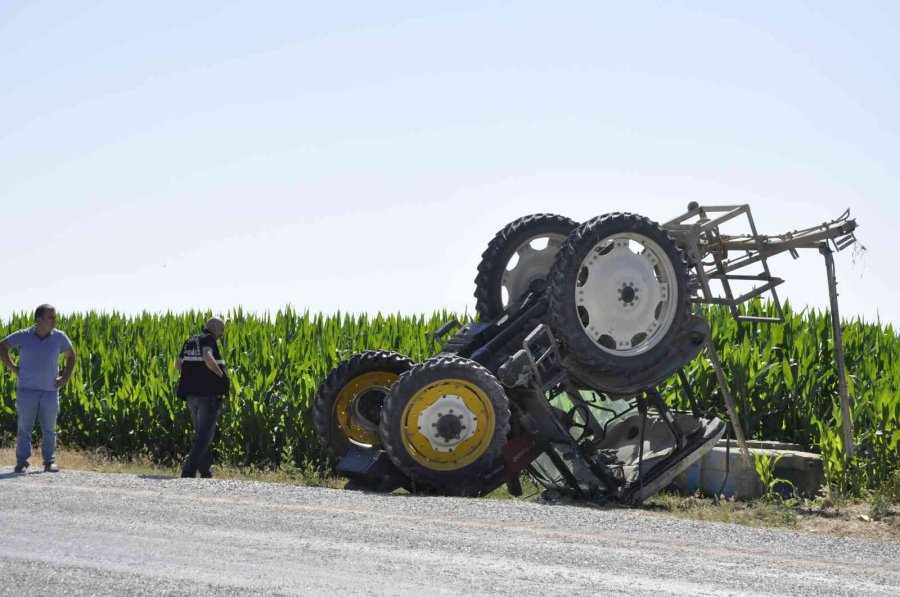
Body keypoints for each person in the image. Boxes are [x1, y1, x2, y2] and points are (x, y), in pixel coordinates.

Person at [0, 304, 76, 473]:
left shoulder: (59, 337)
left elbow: (71, 355)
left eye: (55, 317)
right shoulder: (23, 335)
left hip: (50, 391)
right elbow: (2, 346)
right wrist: (13, 367)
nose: (55, 320)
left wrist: (65, 377)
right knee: (24, 428)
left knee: (49, 429)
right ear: (39, 319)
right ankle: (22, 462)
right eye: (51, 317)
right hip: (26, 390)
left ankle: (49, 462)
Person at [175, 317, 229, 478]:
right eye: (221, 330)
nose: (222, 334)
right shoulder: (209, 339)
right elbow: (207, 356)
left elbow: (178, 364)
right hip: (207, 395)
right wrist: (220, 375)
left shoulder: (190, 340)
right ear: (213, 327)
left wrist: (193, 375)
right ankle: (188, 471)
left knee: (203, 433)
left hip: (191, 395)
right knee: (204, 435)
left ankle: (205, 471)